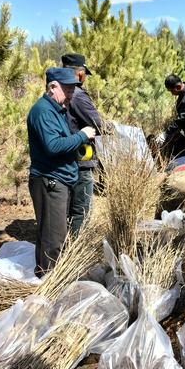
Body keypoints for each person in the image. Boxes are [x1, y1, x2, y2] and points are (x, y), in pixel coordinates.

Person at [27, 67, 96, 276]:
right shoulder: (43, 111)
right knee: (54, 238)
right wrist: (82, 136)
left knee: (50, 233)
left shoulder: (57, 110)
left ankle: (43, 274)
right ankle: (50, 283)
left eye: (73, 88)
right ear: (52, 87)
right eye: (67, 88)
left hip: (59, 179)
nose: (71, 93)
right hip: (50, 181)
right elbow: (53, 146)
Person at [62, 53, 113, 236]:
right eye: (84, 73)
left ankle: (67, 241)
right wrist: (112, 127)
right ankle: (76, 247)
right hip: (82, 155)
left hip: (66, 153)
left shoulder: (60, 91)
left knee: (69, 205)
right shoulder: (77, 95)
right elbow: (98, 124)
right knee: (82, 207)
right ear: (80, 73)